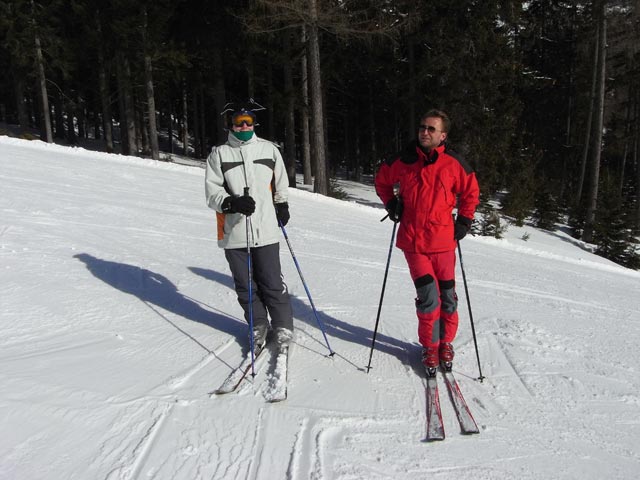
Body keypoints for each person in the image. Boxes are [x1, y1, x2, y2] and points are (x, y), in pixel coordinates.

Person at [374, 109, 480, 373]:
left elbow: (471, 192)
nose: (425, 132)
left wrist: (464, 221)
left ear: (443, 135)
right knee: (428, 298)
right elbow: (382, 181)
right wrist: (391, 204)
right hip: (414, 243)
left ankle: (446, 343)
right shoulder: (403, 159)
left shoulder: (454, 163)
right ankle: (430, 348)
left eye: (431, 129)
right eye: (422, 127)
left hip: (444, 243)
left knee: (448, 298)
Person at [204, 102, 293, 350]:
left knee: (272, 281)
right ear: (230, 125)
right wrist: (232, 203)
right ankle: (258, 325)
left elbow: (281, 182)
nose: (244, 126)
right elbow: (212, 194)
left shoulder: (269, 150)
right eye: (239, 121)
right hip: (233, 231)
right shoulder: (219, 154)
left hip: (265, 228)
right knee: (245, 285)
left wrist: (282, 205)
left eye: (248, 121)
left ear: (254, 123)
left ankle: (283, 325)